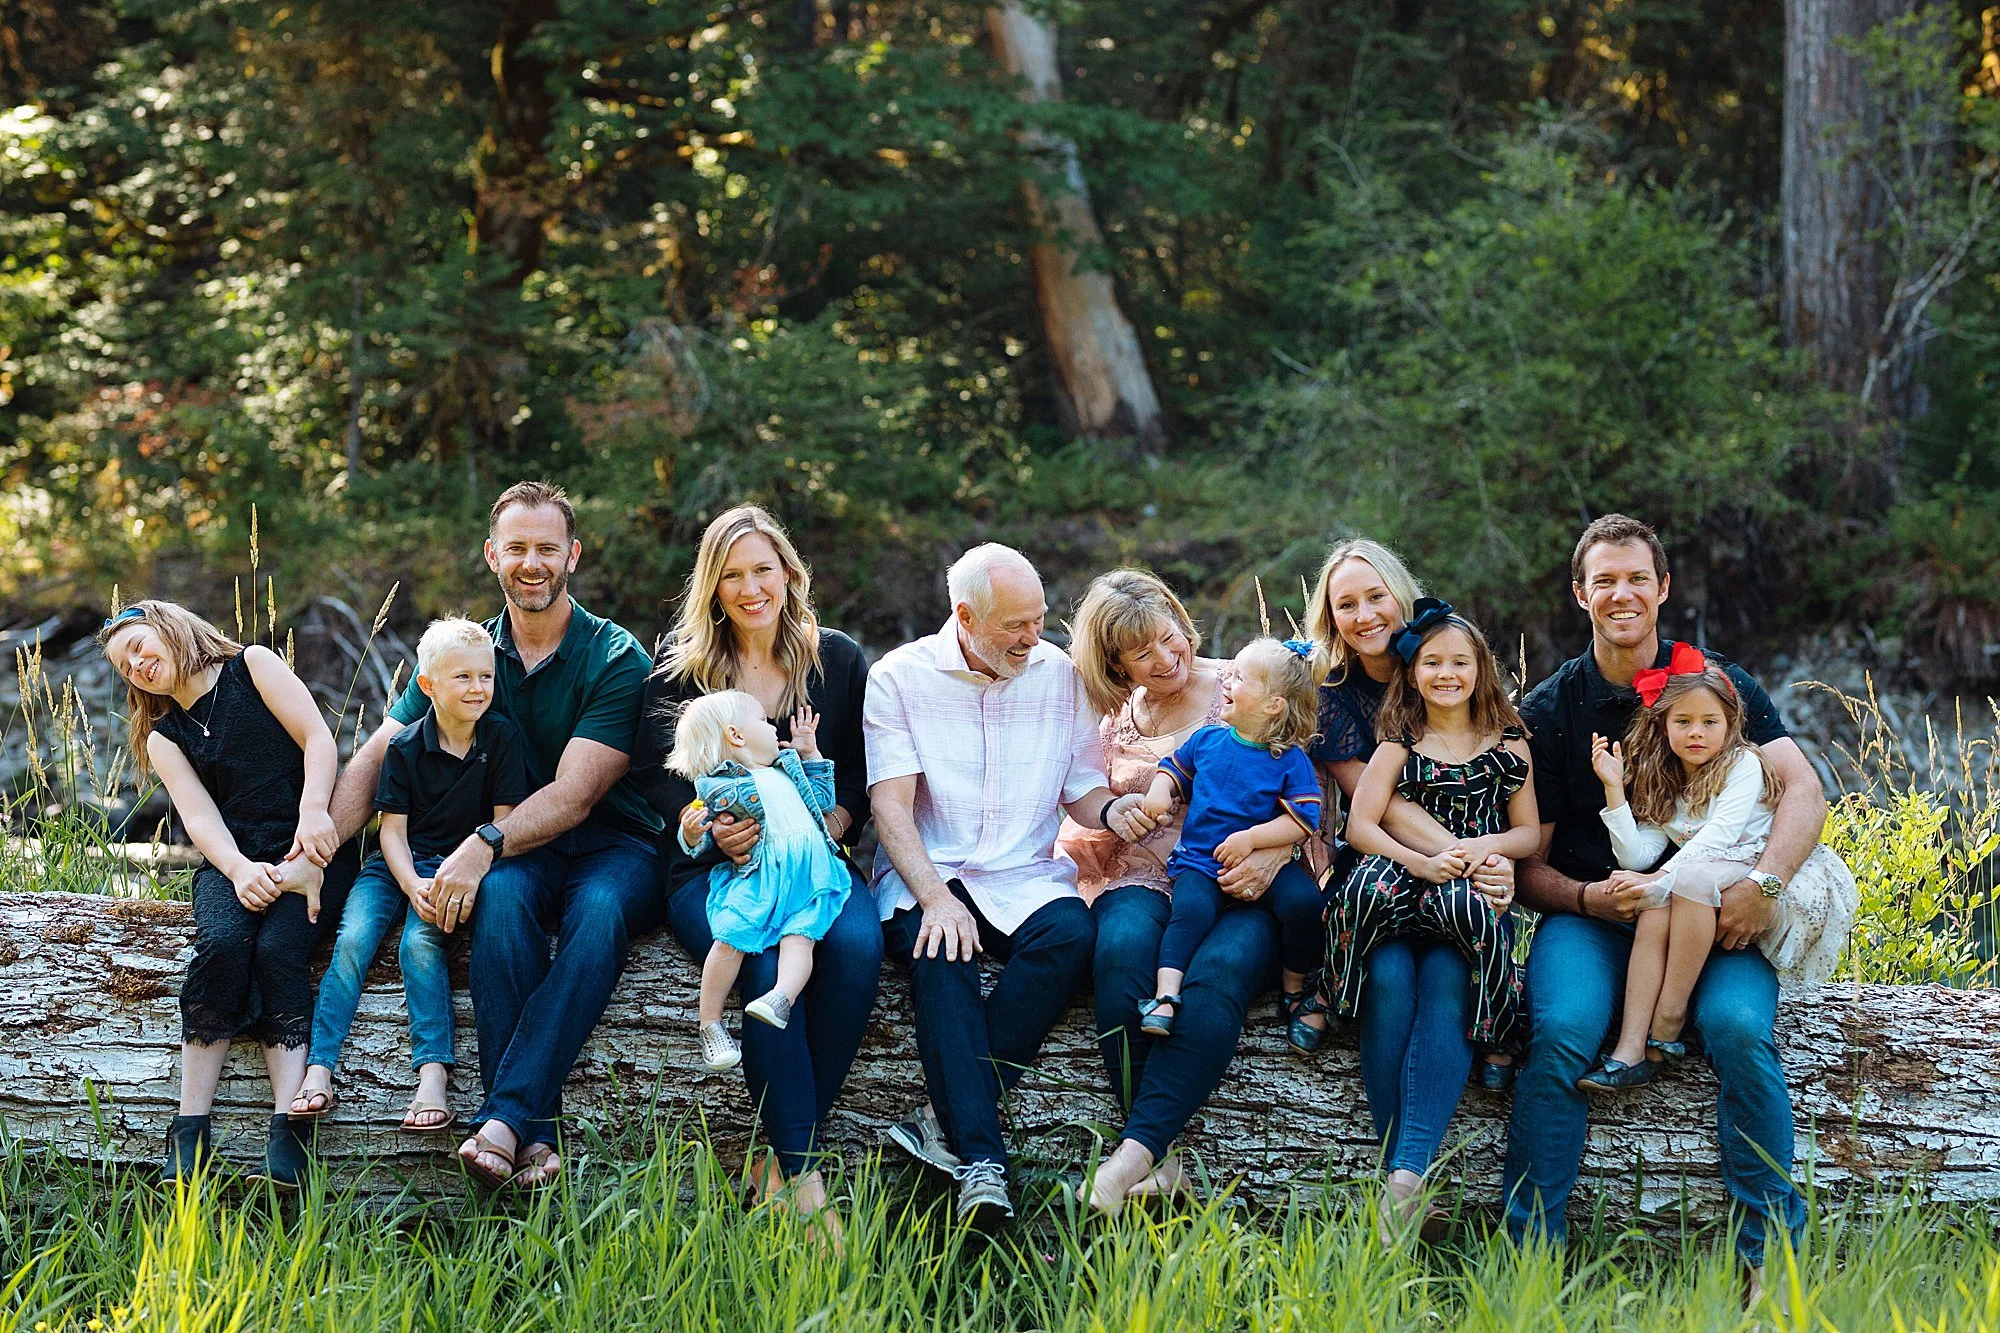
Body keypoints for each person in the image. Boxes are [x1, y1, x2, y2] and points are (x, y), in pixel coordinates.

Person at [1501, 513, 1828, 1298]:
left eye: (1637, 578)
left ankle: (1769, 1262)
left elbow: (1805, 790)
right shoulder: (1549, 710)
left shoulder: (1717, 682)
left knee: (1740, 1028)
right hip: (1593, 915)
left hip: (1713, 913)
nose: (1622, 594)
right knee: (1562, 1031)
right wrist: (1588, 895)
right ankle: (1531, 1262)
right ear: (1580, 593)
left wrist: (1764, 885)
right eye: (1604, 580)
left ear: (1663, 587)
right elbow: (1528, 864)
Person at [329, 481, 663, 1192]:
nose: (531, 563)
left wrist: (480, 844)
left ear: (573, 555)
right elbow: (382, 752)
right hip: (520, 851)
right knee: (503, 903)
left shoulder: (615, 656)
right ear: (492, 556)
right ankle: (530, 1138)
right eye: (517, 548)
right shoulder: (467, 654)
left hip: (616, 843)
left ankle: (505, 1117)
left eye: (547, 548)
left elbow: (575, 796)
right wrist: (316, 849)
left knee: (598, 912)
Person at [633, 503, 881, 1237]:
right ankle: (806, 1184)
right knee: (769, 966)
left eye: (763, 570)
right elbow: (659, 785)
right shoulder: (679, 674)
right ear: (712, 586)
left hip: (811, 862)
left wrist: (830, 823)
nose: (750, 589)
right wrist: (713, 830)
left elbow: (859, 779)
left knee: (857, 945)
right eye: (732, 575)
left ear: (789, 574)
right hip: (717, 871)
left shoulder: (837, 661)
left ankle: (772, 1163)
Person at [866, 543, 1131, 1229]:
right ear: (965, 616)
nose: (1032, 636)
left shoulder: (1060, 675)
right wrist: (934, 897)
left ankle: (940, 1121)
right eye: (1015, 624)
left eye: (1039, 618)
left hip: (1023, 876)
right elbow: (891, 808)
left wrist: (1114, 812)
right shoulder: (898, 677)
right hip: (931, 869)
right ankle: (984, 1163)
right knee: (942, 952)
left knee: (1071, 935)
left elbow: (1081, 788)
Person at [1059, 570, 1301, 1215]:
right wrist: (1118, 809)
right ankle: (1160, 1162)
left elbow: (1308, 792)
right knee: (1120, 956)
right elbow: (1083, 792)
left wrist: (1273, 853)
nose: (1167, 660)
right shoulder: (1114, 718)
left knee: (1217, 976)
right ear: (1115, 664)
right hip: (1142, 869)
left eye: (1170, 639)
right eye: (1143, 654)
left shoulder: (1245, 686)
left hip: (1240, 876)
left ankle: (1131, 1158)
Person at [98, 600, 359, 1187]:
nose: (137, 665)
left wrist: (314, 813)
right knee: (222, 947)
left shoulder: (254, 666)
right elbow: (199, 819)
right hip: (231, 859)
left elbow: (318, 738)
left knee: (278, 951)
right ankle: (190, 1131)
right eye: (125, 666)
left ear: (168, 627)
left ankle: (289, 1130)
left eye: (139, 646)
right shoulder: (165, 737)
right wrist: (240, 871)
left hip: (309, 845)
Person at [1300, 539, 1516, 1239]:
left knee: (1448, 973)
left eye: (1376, 597)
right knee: (1390, 976)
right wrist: (1460, 857)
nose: (1365, 614)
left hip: (1459, 880)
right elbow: (1378, 806)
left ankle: (1403, 1180)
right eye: (1346, 604)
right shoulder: (1334, 698)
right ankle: (1408, 1178)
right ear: (1331, 617)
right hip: (1386, 870)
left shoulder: (1446, 659)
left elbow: (1504, 778)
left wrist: (1488, 860)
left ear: (1401, 595)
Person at [1578, 653, 1858, 1092]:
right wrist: (1614, 789)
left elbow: (1721, 836)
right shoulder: (1664, 780)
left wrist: (1658, 880)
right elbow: (1636, 855)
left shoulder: (1743, 764)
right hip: (1709, 872)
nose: (1696, 732)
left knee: (1686, 883)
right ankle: (1629, 1050)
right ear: (1662, 725)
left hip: (1760, 874)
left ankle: (1669, 1021)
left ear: (1730, 724)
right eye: (1683, 721)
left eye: (1709, 722)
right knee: (1653, 912)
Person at [292, 618, 531, 1133]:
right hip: (394, 866)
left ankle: (432, 1076)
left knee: (419, 945)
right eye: (462, 677)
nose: (478, 688)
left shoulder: (501, 739)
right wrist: (409, 884)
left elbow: (504, 823)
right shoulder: (403, 747)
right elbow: (391, 834)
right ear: (428, 686)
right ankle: (318, 1068)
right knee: (352, 940)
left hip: (457, 866)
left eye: (485, 677)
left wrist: (444, 880)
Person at [1132, 639, 1325, 1045]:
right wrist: (1159, 791)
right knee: (1191, 912)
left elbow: (1302, 820)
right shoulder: (1208, 741)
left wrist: (1252, 839)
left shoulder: (1290, 759)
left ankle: (1293, 988)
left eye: (1239, 677)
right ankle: (1165, 996)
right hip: (1200, 861)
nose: (1226, 681)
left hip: (1263, 862)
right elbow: (1173, 769)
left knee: (1305, 903)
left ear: (1273, 705)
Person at [666, 694, 850, 1071]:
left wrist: (811, 754)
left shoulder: (789, 766)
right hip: (762, 876)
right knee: (730, 936)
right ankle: (710, 1024)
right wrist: (690, 832)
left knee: (801, 936)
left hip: (808, 873)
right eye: (765, 721)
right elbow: (700, 834)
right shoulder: (717, 787)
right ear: (736, 735)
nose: (773, 727)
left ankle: (781, 998)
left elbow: (823, 802)